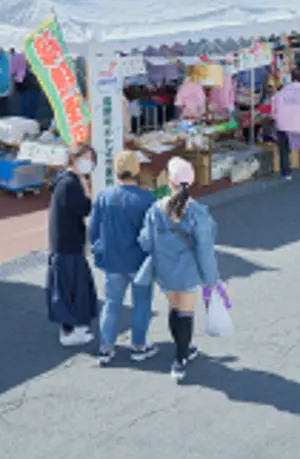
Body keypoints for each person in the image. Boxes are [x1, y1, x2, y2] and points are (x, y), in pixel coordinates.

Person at [138, 156, 221, 381]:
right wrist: (212, 280)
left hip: (164, 269)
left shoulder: (156, 209)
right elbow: (205, 250)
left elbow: (145, 241)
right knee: (186, 313)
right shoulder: (197, 212)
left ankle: (180, 350)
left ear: (170, 181)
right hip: (187, 271)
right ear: (191, 181)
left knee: (174, 309)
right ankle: (180, 358)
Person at [89, 150, 160, 364]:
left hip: (112, 260)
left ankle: (106, 347)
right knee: (142, 304)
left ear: (115, 170)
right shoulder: (147, 200)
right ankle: (138, 345)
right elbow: (154, 235)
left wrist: (97, 248)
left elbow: (93, 229)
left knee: (112, 302)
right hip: (139, 261)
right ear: (137, 171)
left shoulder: (104, 196)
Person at [46, 142, 99, 347]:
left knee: (69, 288)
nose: (89, 163)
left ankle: (74, 328)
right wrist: (86, 189)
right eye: (87, 158)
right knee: (71, 288)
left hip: (64, 243)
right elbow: (85, 208)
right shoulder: (70, 184)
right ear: (74, 159)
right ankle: (70, 330)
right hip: (67, 244)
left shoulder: (63, 180)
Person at [268, 67, 300, 180]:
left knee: (284, 149)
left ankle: (286, 173)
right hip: (298, 124)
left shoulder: (282, 91)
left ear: (291, 78)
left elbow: (274, 106)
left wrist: (274, 117)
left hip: (282, 124)